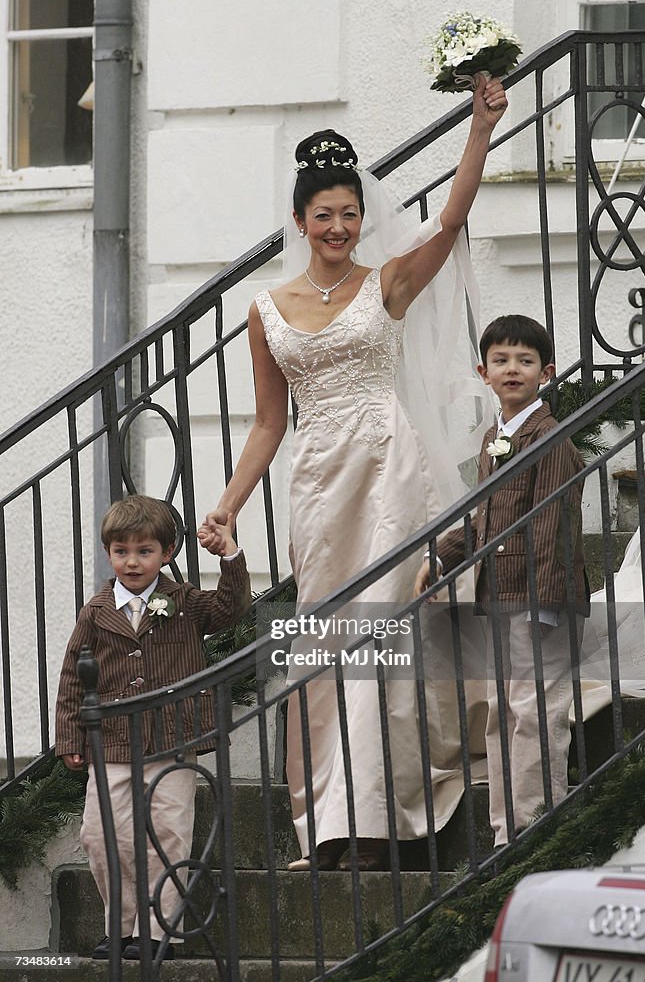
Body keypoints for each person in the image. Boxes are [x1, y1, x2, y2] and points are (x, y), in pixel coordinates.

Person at [200, 75, 508, 871]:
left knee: (379, 632)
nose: (338, 226)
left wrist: (479, 130)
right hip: (318, 480)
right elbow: (271, 422)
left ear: (360, 218)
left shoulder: (388, 282)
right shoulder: (266, 310)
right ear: (300, 222)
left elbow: (452, 219)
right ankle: (330, 823)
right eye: (323, 215)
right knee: (320, 642)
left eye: (349, 214)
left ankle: (379, 821)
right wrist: (229, 505)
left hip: (389, 466)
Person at [414, 314, 590, 846]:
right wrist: (443, 555)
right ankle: (503, 830)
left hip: (540, 601)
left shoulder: (549, 440)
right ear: (483, 371)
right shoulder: (498, 437)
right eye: (501, 360)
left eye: (525, 360)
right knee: (500, 713)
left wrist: (542, 605)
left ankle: (537, 824)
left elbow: (551, 525)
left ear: (547, 372)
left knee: (537, 711)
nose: (512, 369)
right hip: (499, 595)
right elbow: (490, 516)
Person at [55, 494, 251, 960]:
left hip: (173, 739)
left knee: (166, 834)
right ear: (109, 554)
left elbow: (232, 609)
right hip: (114, 744)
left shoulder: (183, 602)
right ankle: (120, 929)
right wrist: (69, 736)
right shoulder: (96, 611)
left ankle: (157, 931)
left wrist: (231, 556)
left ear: (166, 554)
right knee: (102, 835)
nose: (132, 561)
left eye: (144, 551)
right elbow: (71, 674)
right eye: (121, 551)